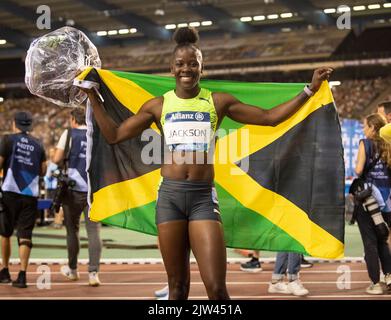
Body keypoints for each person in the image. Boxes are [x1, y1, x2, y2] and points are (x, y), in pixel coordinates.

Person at [81, 27, 332, 300]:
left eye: (193, 64)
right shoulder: (157, 105)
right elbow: (115, 135)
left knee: (216, 288)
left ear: (202, 68)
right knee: (177, 289)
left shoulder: (217, 102)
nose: (186, 69)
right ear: (171, 68)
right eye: (180, 64)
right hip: (170, 197)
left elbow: (270, 117)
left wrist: (309, 90)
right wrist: (93, 96)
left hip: (202, 198)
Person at [53, 108, 102, 287]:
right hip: (93, 189)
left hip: (72, 190)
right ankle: (93, 273)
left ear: (73, 120)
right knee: (93, 231)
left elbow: (57, 158)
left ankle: (73, 270)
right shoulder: (95, 134)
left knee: (72, 230)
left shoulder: (69, 134)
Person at [0, 111, 46, 288]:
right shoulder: (38, 144)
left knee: (5, 232)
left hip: (10, 192)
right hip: (30, 195)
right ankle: (22, 275)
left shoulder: (7, 140)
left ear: (14, 124)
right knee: (25, 235)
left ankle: (4, 271)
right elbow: (42, 170)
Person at [354, 113, 391, 294]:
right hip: (387, 200)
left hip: (369, 201)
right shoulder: (388, 145)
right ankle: (390, 276)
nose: (363, 129)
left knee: (370, 243)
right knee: (383, 240)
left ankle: (375, 283)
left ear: (372, 128)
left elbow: (359, 169)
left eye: (365, 125)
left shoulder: (365, 143)